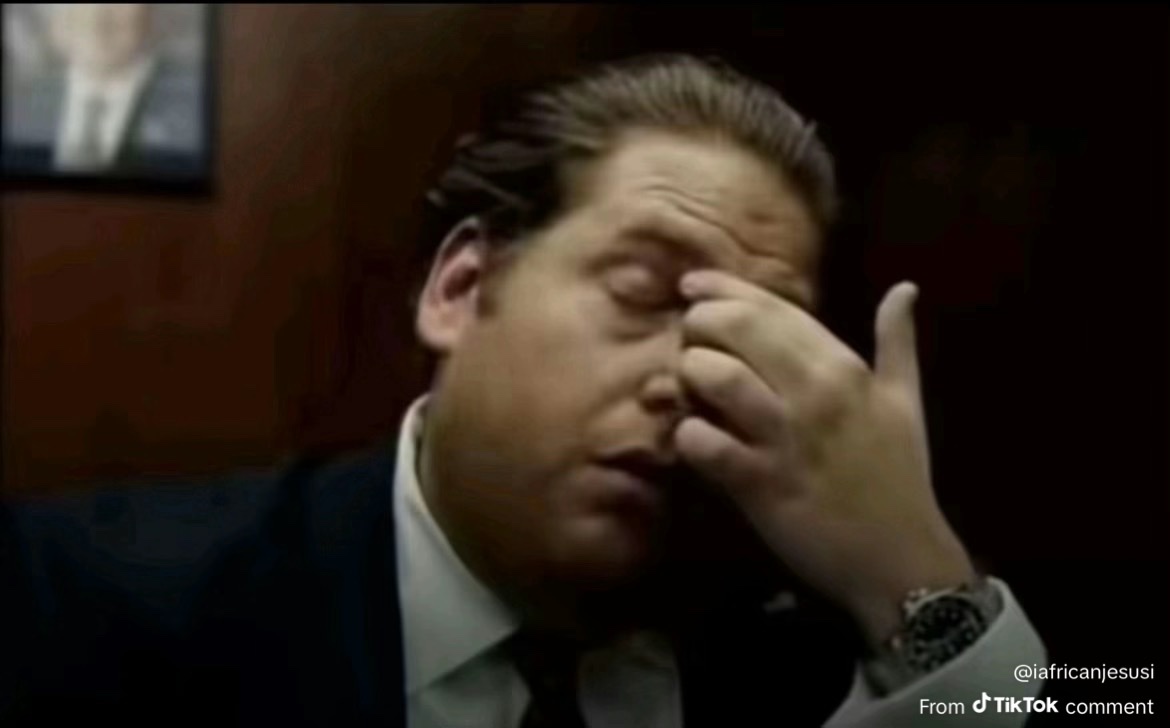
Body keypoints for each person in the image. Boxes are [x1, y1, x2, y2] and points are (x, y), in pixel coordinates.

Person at [0, 54, 1047, 727]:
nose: (693, 378)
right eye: (642, 293)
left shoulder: (814, 646)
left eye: (756, 342)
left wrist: (919, 579)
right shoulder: (85, 603)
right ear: (461, 287)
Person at [3, 3, 200, 175]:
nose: (98, 15)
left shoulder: (193, 107)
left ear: (151, 12)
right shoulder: (20, 106)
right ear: (54, 22)